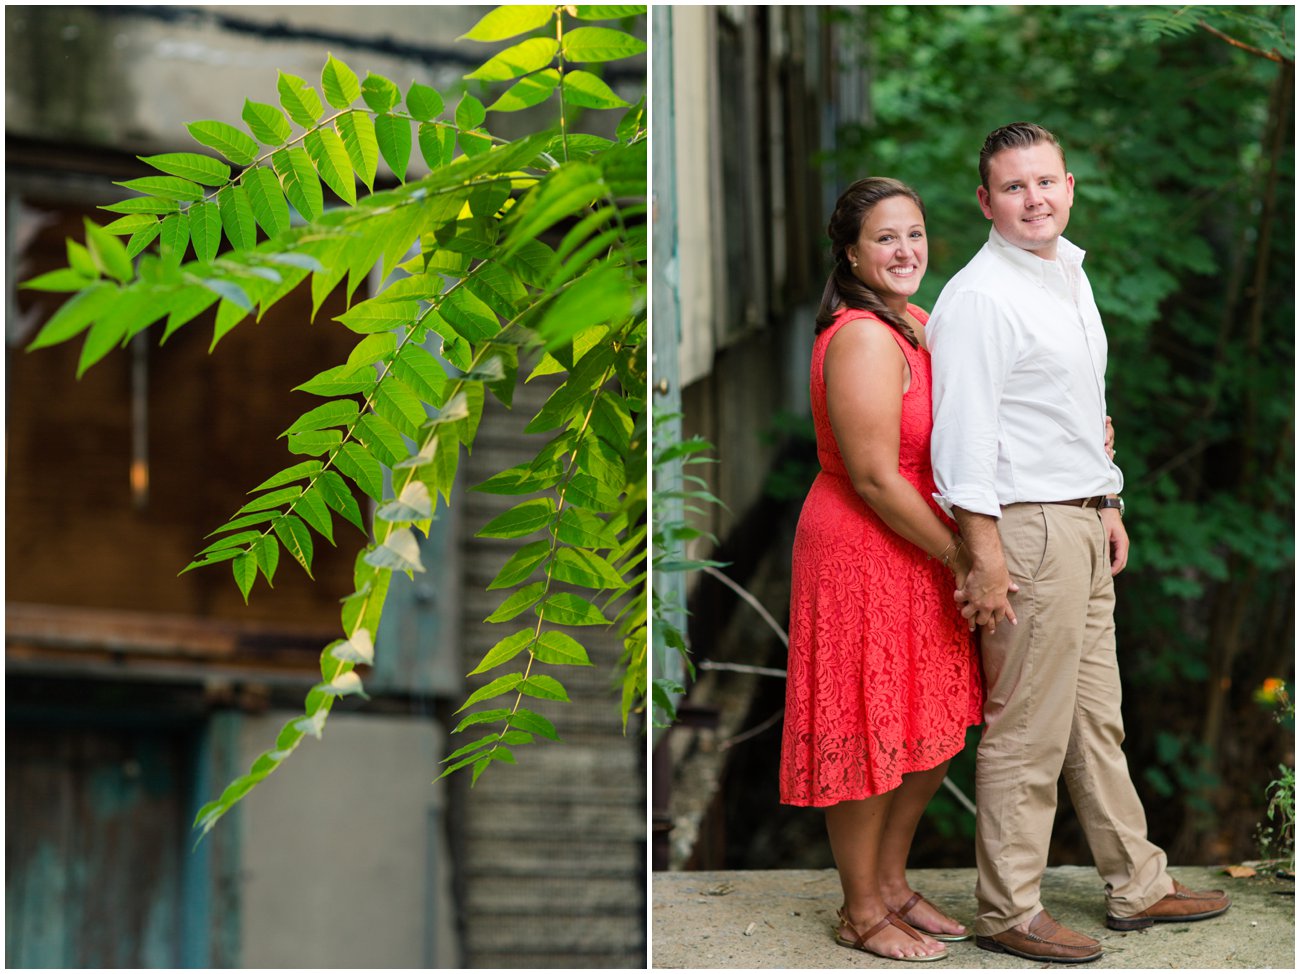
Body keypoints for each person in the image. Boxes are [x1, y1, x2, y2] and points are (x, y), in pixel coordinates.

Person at [927, 121, 1231, 965]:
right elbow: (962, 441)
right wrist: (984, 556)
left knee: (1098, 720)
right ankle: (1009, 909)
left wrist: (1108, 495)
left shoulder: (1066, 270)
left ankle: (1138, 885)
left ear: (1069, 186)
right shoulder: (982, 296)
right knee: (1026, 729)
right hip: (1024, 532)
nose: (1035, 199)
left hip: (1081, 519)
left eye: (1046, 182)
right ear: (986, 201)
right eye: (1014, 188)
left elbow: (1070, 407)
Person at [778, 177, 985, 963]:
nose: (906, 251)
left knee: (927, 730)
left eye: (916, 234)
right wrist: (962, 552)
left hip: (920, 545)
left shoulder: (916, 322)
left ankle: (893, 884)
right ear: (853, 253)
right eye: (887, 239)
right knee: (869, 728)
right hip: (864, 547)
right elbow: (872, 476)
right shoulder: (862, 335)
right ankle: (860, 909)